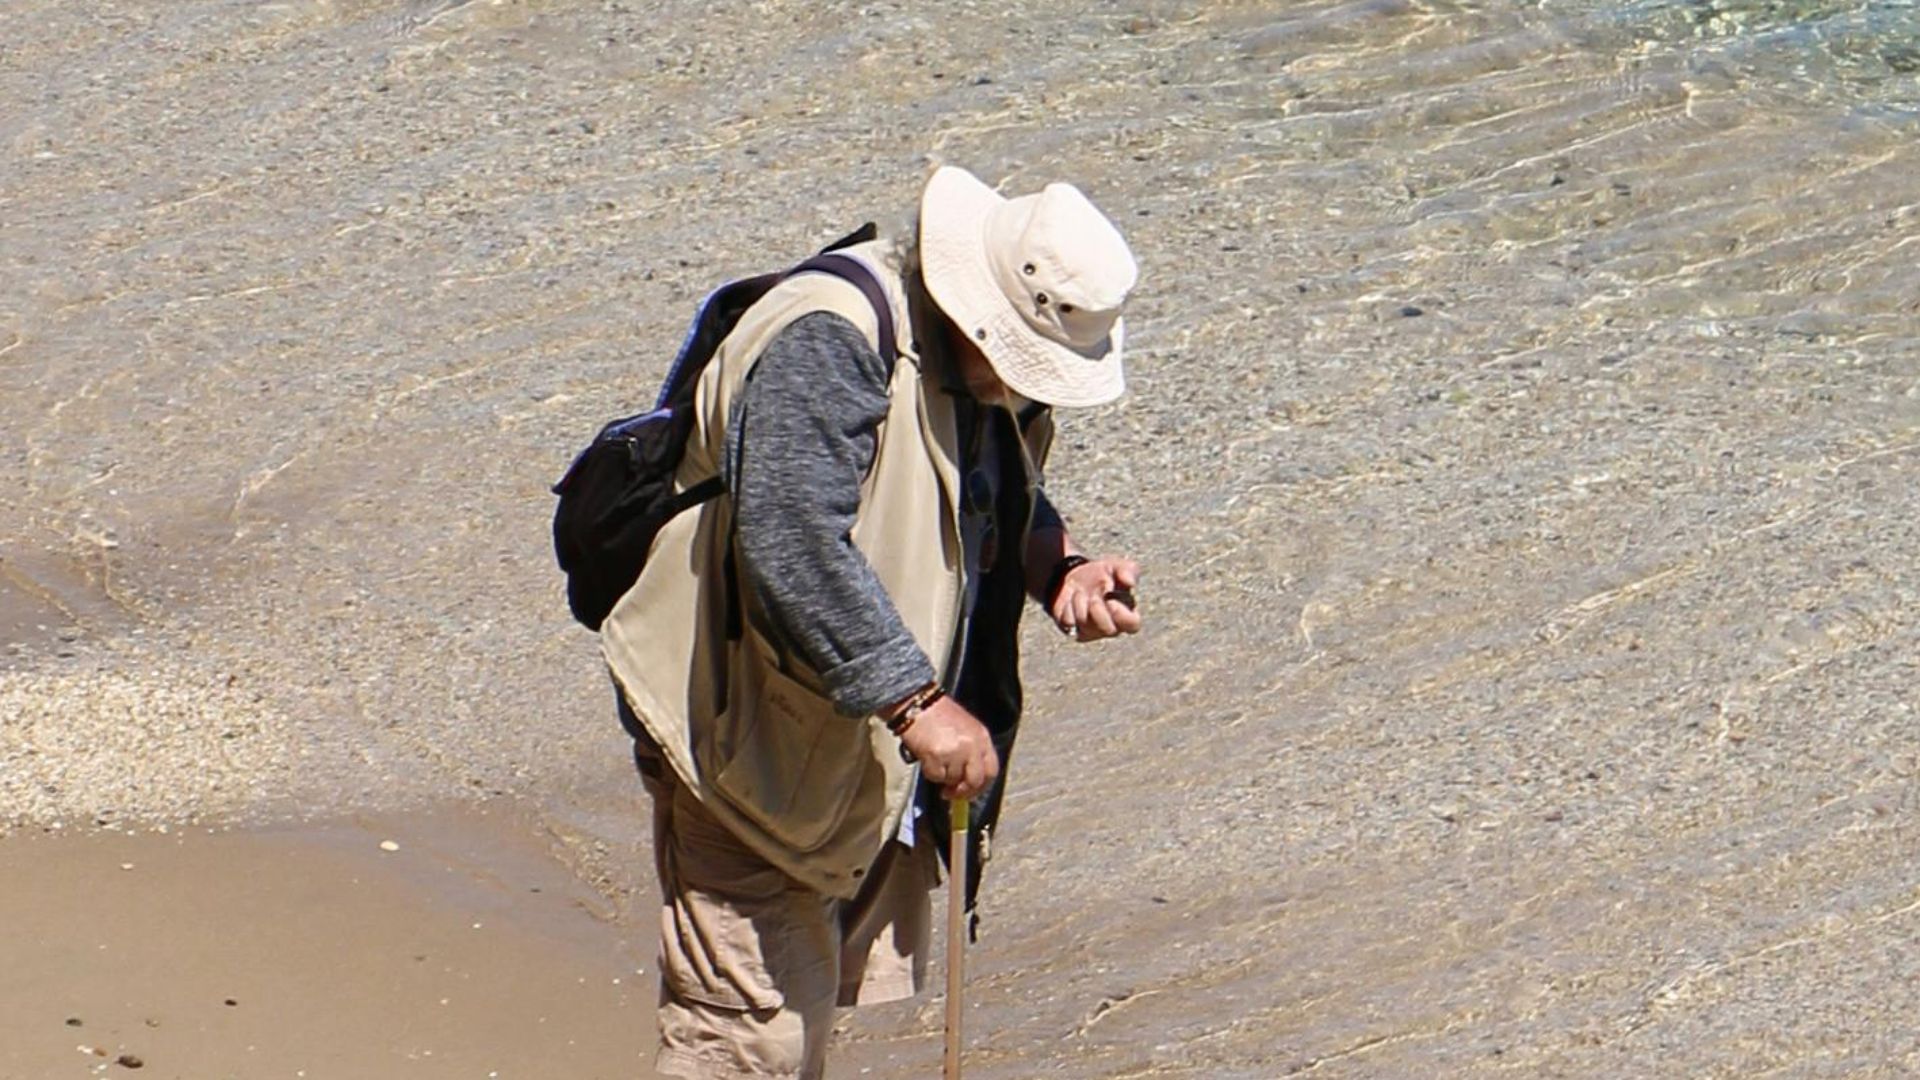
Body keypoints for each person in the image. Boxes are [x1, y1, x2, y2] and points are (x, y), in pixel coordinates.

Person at [600, 165, 1144, 1079]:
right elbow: (789, 539)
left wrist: (1058, 566)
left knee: (792, 1019)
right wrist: (917, 703)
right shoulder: (831, 339)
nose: (1026, 387)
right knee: (749, 1040)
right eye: (1019, 360)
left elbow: (978, 485)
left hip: (839, 749)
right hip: (741, 734)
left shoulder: (978, 374)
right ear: (978, 311)